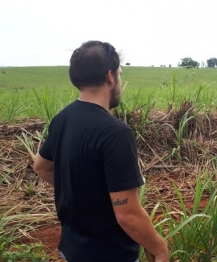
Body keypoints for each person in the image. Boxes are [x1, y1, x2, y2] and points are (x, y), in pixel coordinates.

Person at [33, 40, 169, 262]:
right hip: (110, 253)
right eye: (120, 74)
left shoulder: (62, 119)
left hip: (72, 249)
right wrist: (160, 248)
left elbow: (41, 166)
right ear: (109, 77)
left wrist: (82, 194)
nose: (120, 81)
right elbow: (127, 215)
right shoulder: (115, 134)